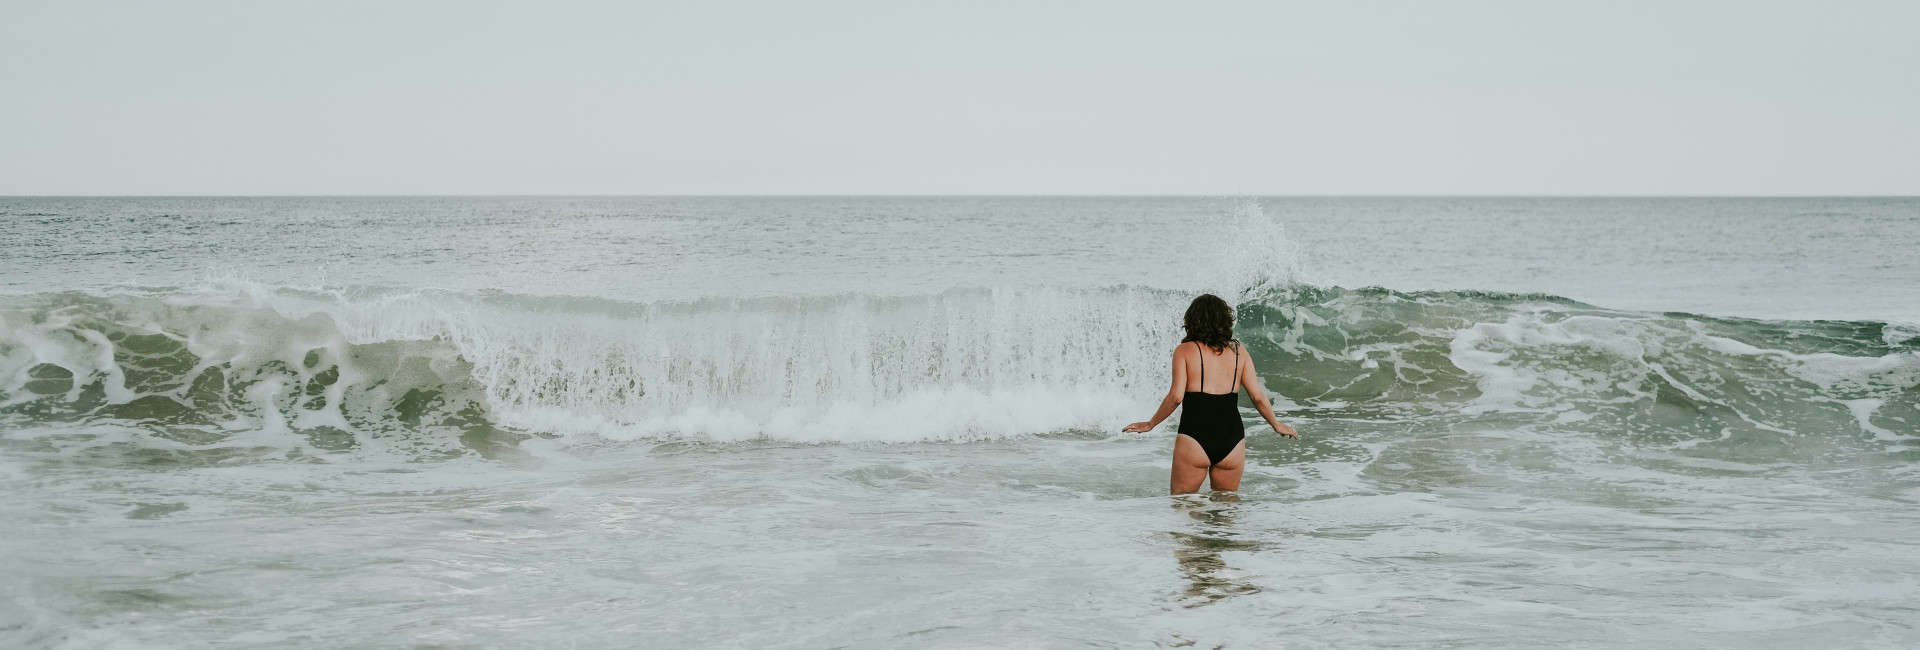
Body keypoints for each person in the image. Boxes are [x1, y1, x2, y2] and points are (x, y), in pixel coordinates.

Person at [1124, 294, 1298, 494]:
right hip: (1232, 440)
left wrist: (1150, 424)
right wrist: (1276, 424)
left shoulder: (1185, 351)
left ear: (1192, 321)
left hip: (1194, 437)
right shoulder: (1239, 352)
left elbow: (1176, 396)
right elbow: (1257, 396)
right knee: (1227, 515)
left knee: (1184, 511)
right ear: (1224, 320)